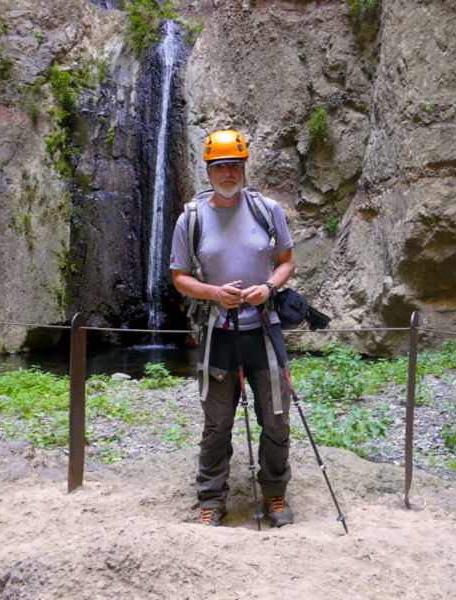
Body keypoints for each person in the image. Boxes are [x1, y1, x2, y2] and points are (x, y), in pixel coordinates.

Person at [169, 129, 296, 528]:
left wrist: (269, 287)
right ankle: (211, 499)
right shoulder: (190, 218)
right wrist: (212, 292)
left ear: (244, 167)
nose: (227, 173)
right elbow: (179, 276)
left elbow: (287, 260)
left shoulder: (267, 209)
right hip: (218, 331)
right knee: (217, 420)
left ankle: (274, 494)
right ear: (208, 170)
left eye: (234, 165)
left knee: (276, 416)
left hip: (263, 326)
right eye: (220, 166)